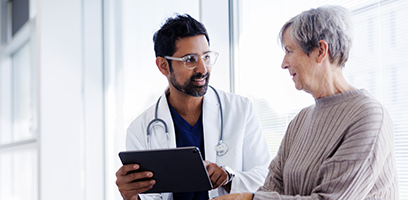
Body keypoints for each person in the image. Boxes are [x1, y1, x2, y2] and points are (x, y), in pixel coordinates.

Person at [214, 5, 399, 200]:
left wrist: (248, 199)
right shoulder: (300, 120)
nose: (284, 63)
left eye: (289, 51)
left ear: (320, 50)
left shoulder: (368, 116)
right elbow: (271, 188)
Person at [115, 14, 271, 200]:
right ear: (163, 66)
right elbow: (148, 196)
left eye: (206, 56)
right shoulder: (140, 130)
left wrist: (228, 177)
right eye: (190, 59)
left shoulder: (241, 110)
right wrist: (131, 197)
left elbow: (267, 179)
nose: (202, 69)